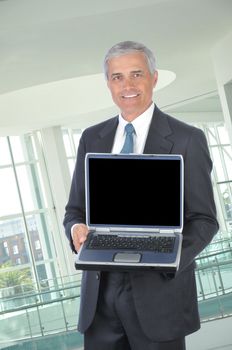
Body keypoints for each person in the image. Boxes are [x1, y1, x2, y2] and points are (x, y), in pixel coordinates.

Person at [63, 41, 219, 350]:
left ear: (154, 77)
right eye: (117, 77)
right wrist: (75, 229)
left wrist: (168, 256)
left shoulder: (188, 139)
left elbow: (204, 220)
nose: (128, 85)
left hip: (159, 297)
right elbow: (75, 210)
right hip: (100, 298)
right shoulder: (92, 137)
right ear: (108, 83)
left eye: (136, 74)